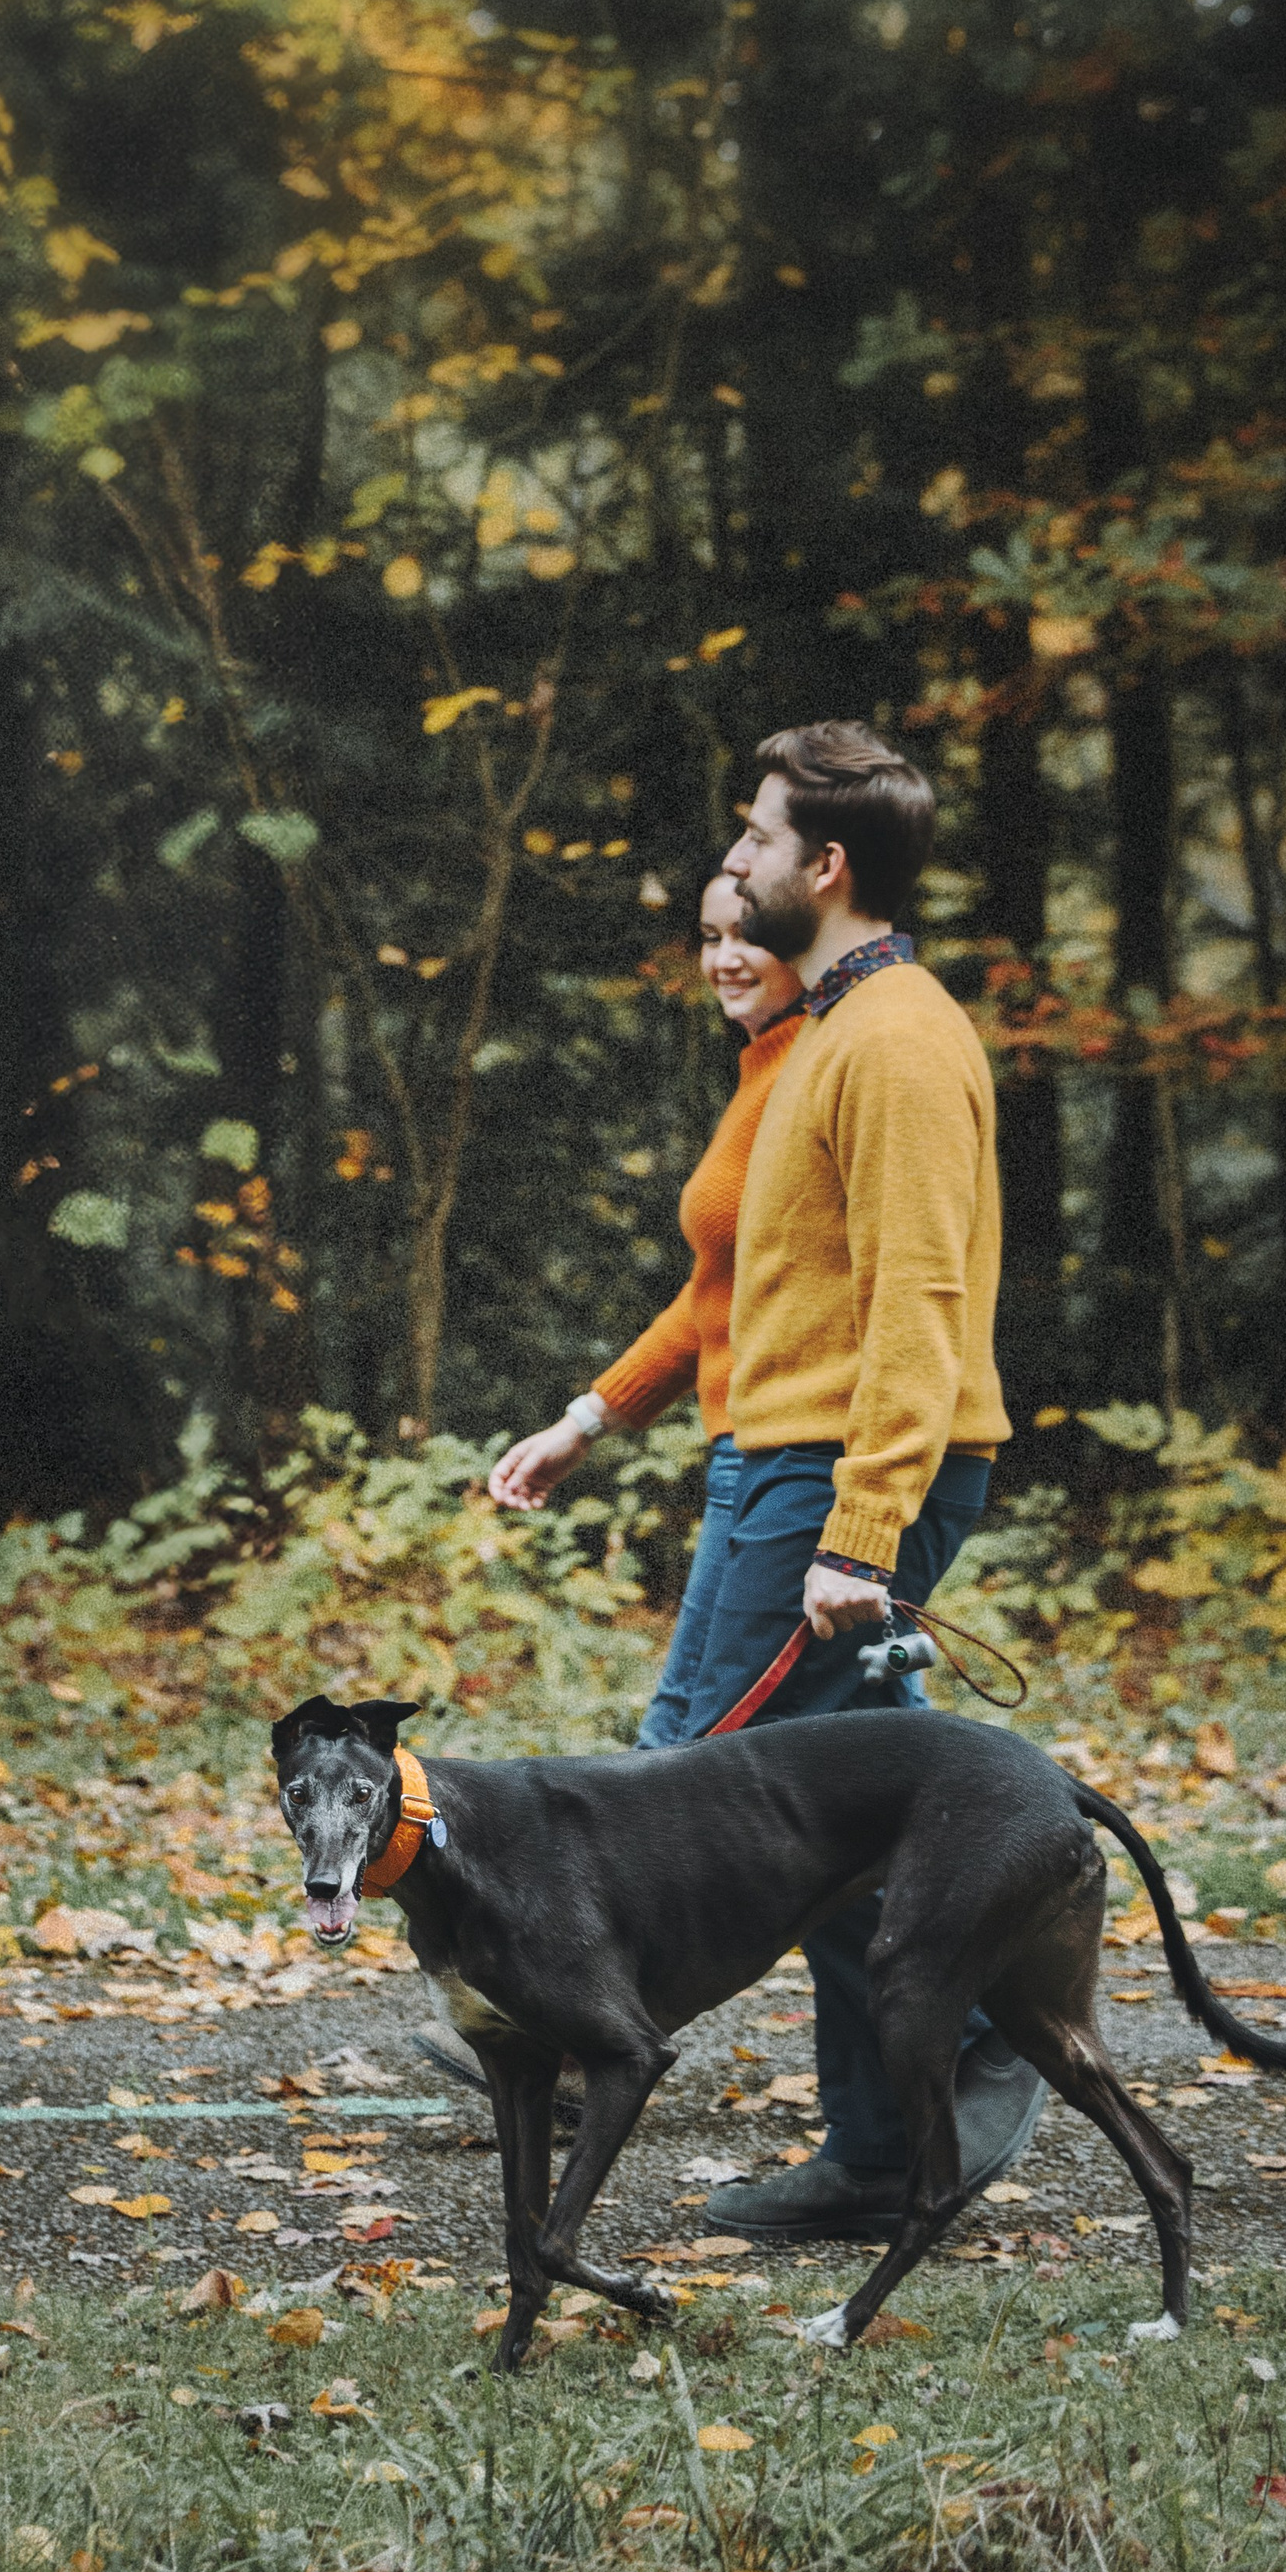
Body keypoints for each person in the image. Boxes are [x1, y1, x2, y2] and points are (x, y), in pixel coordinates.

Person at [489, 720, 1040, 2236]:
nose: (732, 867)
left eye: (753, 841)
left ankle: (552, 2028)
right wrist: (594, 1415)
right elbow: (752, 1289)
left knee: (694, 1779)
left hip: (832, 1477)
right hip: (782, 1465)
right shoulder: (823, 1036)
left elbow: (924, 1306)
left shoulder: (905, 1042)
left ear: (827, 864)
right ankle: (927, 2108)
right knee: (835, 1815)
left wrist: (863, 1533)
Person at [486, 874, 805, 1745]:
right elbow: (717, 1298)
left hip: (791, 1453)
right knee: (716, 1735)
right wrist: (584, 1422)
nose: (724, 960)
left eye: (750, 937)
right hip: (755, 1446)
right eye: (709, 937)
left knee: (691, 1740)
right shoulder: (763, 1069)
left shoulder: (816, 1067)